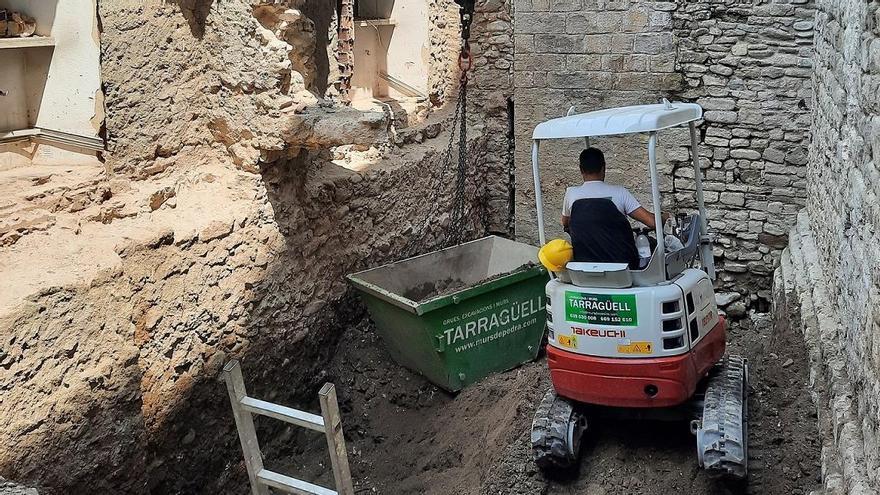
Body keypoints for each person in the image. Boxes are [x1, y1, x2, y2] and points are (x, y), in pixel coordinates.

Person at [562, 147, 664, 267]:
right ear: (603, 167)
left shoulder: (571, 194)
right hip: (622, 266)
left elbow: (565, 223)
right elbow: (652, 222)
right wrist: (664, 216)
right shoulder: (619, 193)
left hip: (586, 264)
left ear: (581, 169)